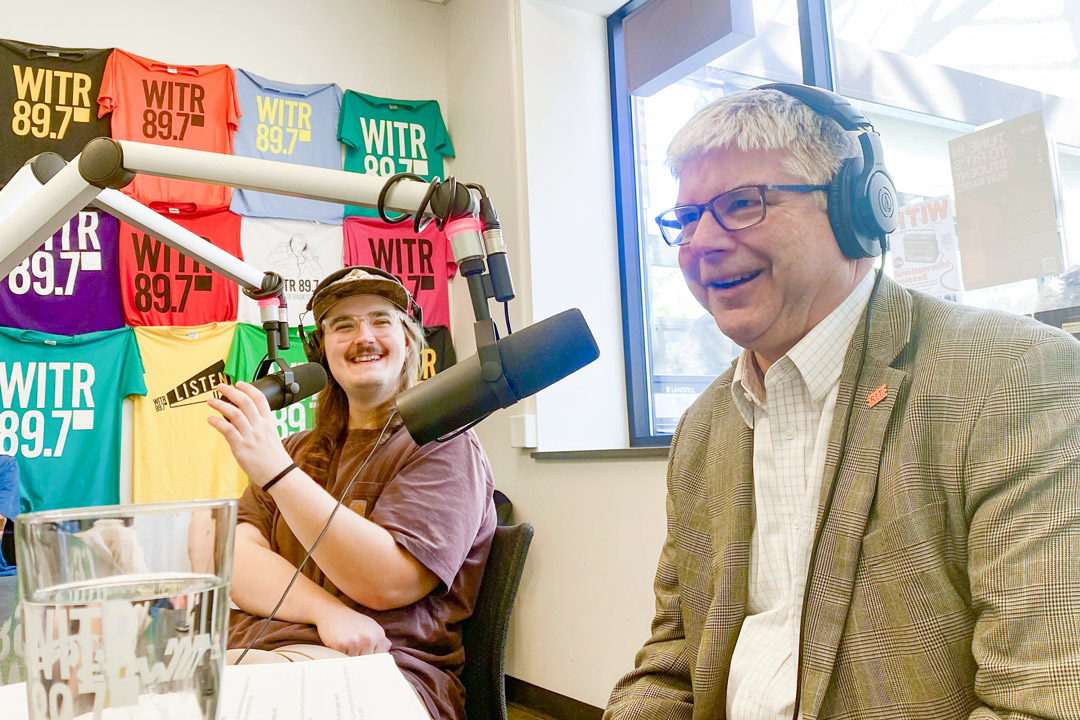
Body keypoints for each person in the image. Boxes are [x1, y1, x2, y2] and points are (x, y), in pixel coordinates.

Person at [605, 85, 1080, 719]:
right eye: (687, 218)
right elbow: (674, 658)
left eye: (742, 204)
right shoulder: (704, 426)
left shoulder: (1012, 376)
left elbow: (1043, 696)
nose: (702, 243)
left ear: (857, 209)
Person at [208, 266, 497, 720]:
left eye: (381, 320)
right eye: (343, 325)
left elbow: (388, 581)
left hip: (381, 671)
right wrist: (327, 611)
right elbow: (230, 558)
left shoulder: (444, 442)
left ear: (408, 342)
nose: (364, 337)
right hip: (254, 655)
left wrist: (277, 473)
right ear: (320, 351)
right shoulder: (294, 450)